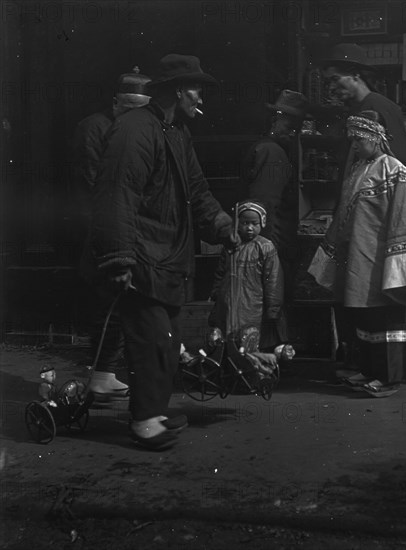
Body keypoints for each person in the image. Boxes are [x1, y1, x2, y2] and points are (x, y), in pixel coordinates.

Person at [82, 54, 236, 450]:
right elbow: (116, 196)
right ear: (180, 90)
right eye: (197, 88)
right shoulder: (134, 130)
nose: (201, 95)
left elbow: (198, 190)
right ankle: (144, 421)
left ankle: (153, 409)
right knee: (150, 340)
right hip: (142, 255)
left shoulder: (176, 132)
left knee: (165, 341)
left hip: (168, 257)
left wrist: (222, 225)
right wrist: (119, 258)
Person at [307, 110, 406, 397]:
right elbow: (344, 212)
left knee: (386, 317)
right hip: (358, 256)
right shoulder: (358, 169)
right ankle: (368, 370)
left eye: (358, 139)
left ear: (375, 138)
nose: (354, 145)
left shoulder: (394, 169)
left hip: (383, 257)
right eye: (351, 140)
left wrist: (399, 258)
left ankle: (389, 378)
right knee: (363, 316)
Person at [74, 67, 152, 403]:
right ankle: (100, 373)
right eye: (127, 109)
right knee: (109, 299)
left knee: (126, 300)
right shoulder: (94, 128)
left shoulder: (139, 130)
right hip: (104, 224)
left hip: (131, 223)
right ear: (115, 102)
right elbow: (95, 184)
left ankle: (107, 372)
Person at [242, 90, 311, 296]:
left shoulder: (268, 149)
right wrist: (267, 253)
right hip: (273, 247)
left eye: (296, 129)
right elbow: (265, 207)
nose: (292, 133)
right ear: (275, 120)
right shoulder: (273, 152)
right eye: (289, 126)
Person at [321, 43, 406, 171]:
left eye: (335, 79)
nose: (331, 88)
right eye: (328, 82)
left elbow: (396, 164)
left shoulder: (378, 106)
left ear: (354, 74)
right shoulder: (358, 108)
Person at [208, 200, 285, 350]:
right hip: (228, 303)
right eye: (245, 223)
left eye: (254, 223)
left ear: (262, 223)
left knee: (250, 339)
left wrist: (273, 308)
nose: (249, 228)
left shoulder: (265, 247)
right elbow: (220, 273)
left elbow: (273, 279)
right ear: (237, 223)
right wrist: (216, 293)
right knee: (226, 338)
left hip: (253, 305)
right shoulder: (230, 246)